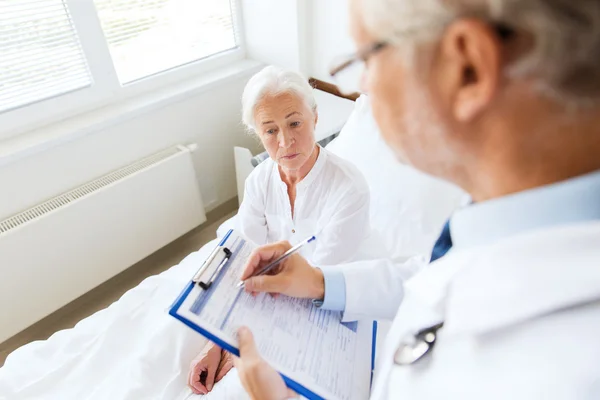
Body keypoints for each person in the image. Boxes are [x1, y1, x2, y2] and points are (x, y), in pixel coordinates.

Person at [232, 0, 600, 398]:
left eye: (367, 59)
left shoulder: (568, 368)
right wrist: (321, 283)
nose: (363, 87)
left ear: (467, 67)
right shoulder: (511, 209)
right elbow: (433, 275)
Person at [187, 66, 372, 395]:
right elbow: (245, 261)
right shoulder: (259, 181)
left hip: (320, 304)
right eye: (270, 130)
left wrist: (242, 342)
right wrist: (216, 342)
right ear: (257, 133)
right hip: (268, 302)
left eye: (295, 123)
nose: (285, 141)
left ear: (315, 117)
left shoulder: (349, 189)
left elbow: (319, 281)